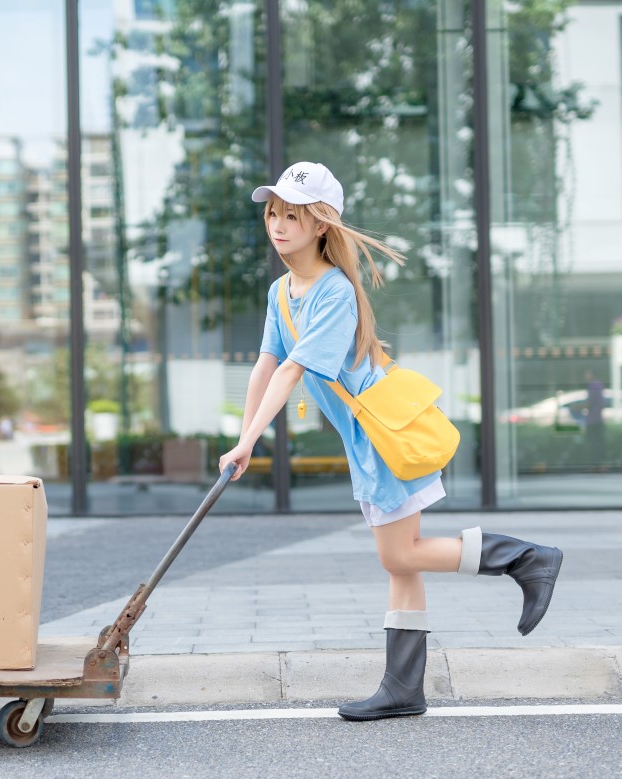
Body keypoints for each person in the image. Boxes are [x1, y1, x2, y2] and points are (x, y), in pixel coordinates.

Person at [218, 162, 563, 721]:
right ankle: (404, 688)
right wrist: (245, 439)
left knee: (399, 554)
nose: (278, 225)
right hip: (366, 439)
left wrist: (249, 440)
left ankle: (526, 559)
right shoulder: (282, 292)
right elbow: (265, 364)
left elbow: (292, 374)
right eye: (273, 214)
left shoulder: (333, 291)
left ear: (321, 225)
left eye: (292, 216)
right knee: (401, 565)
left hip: (384, 435)